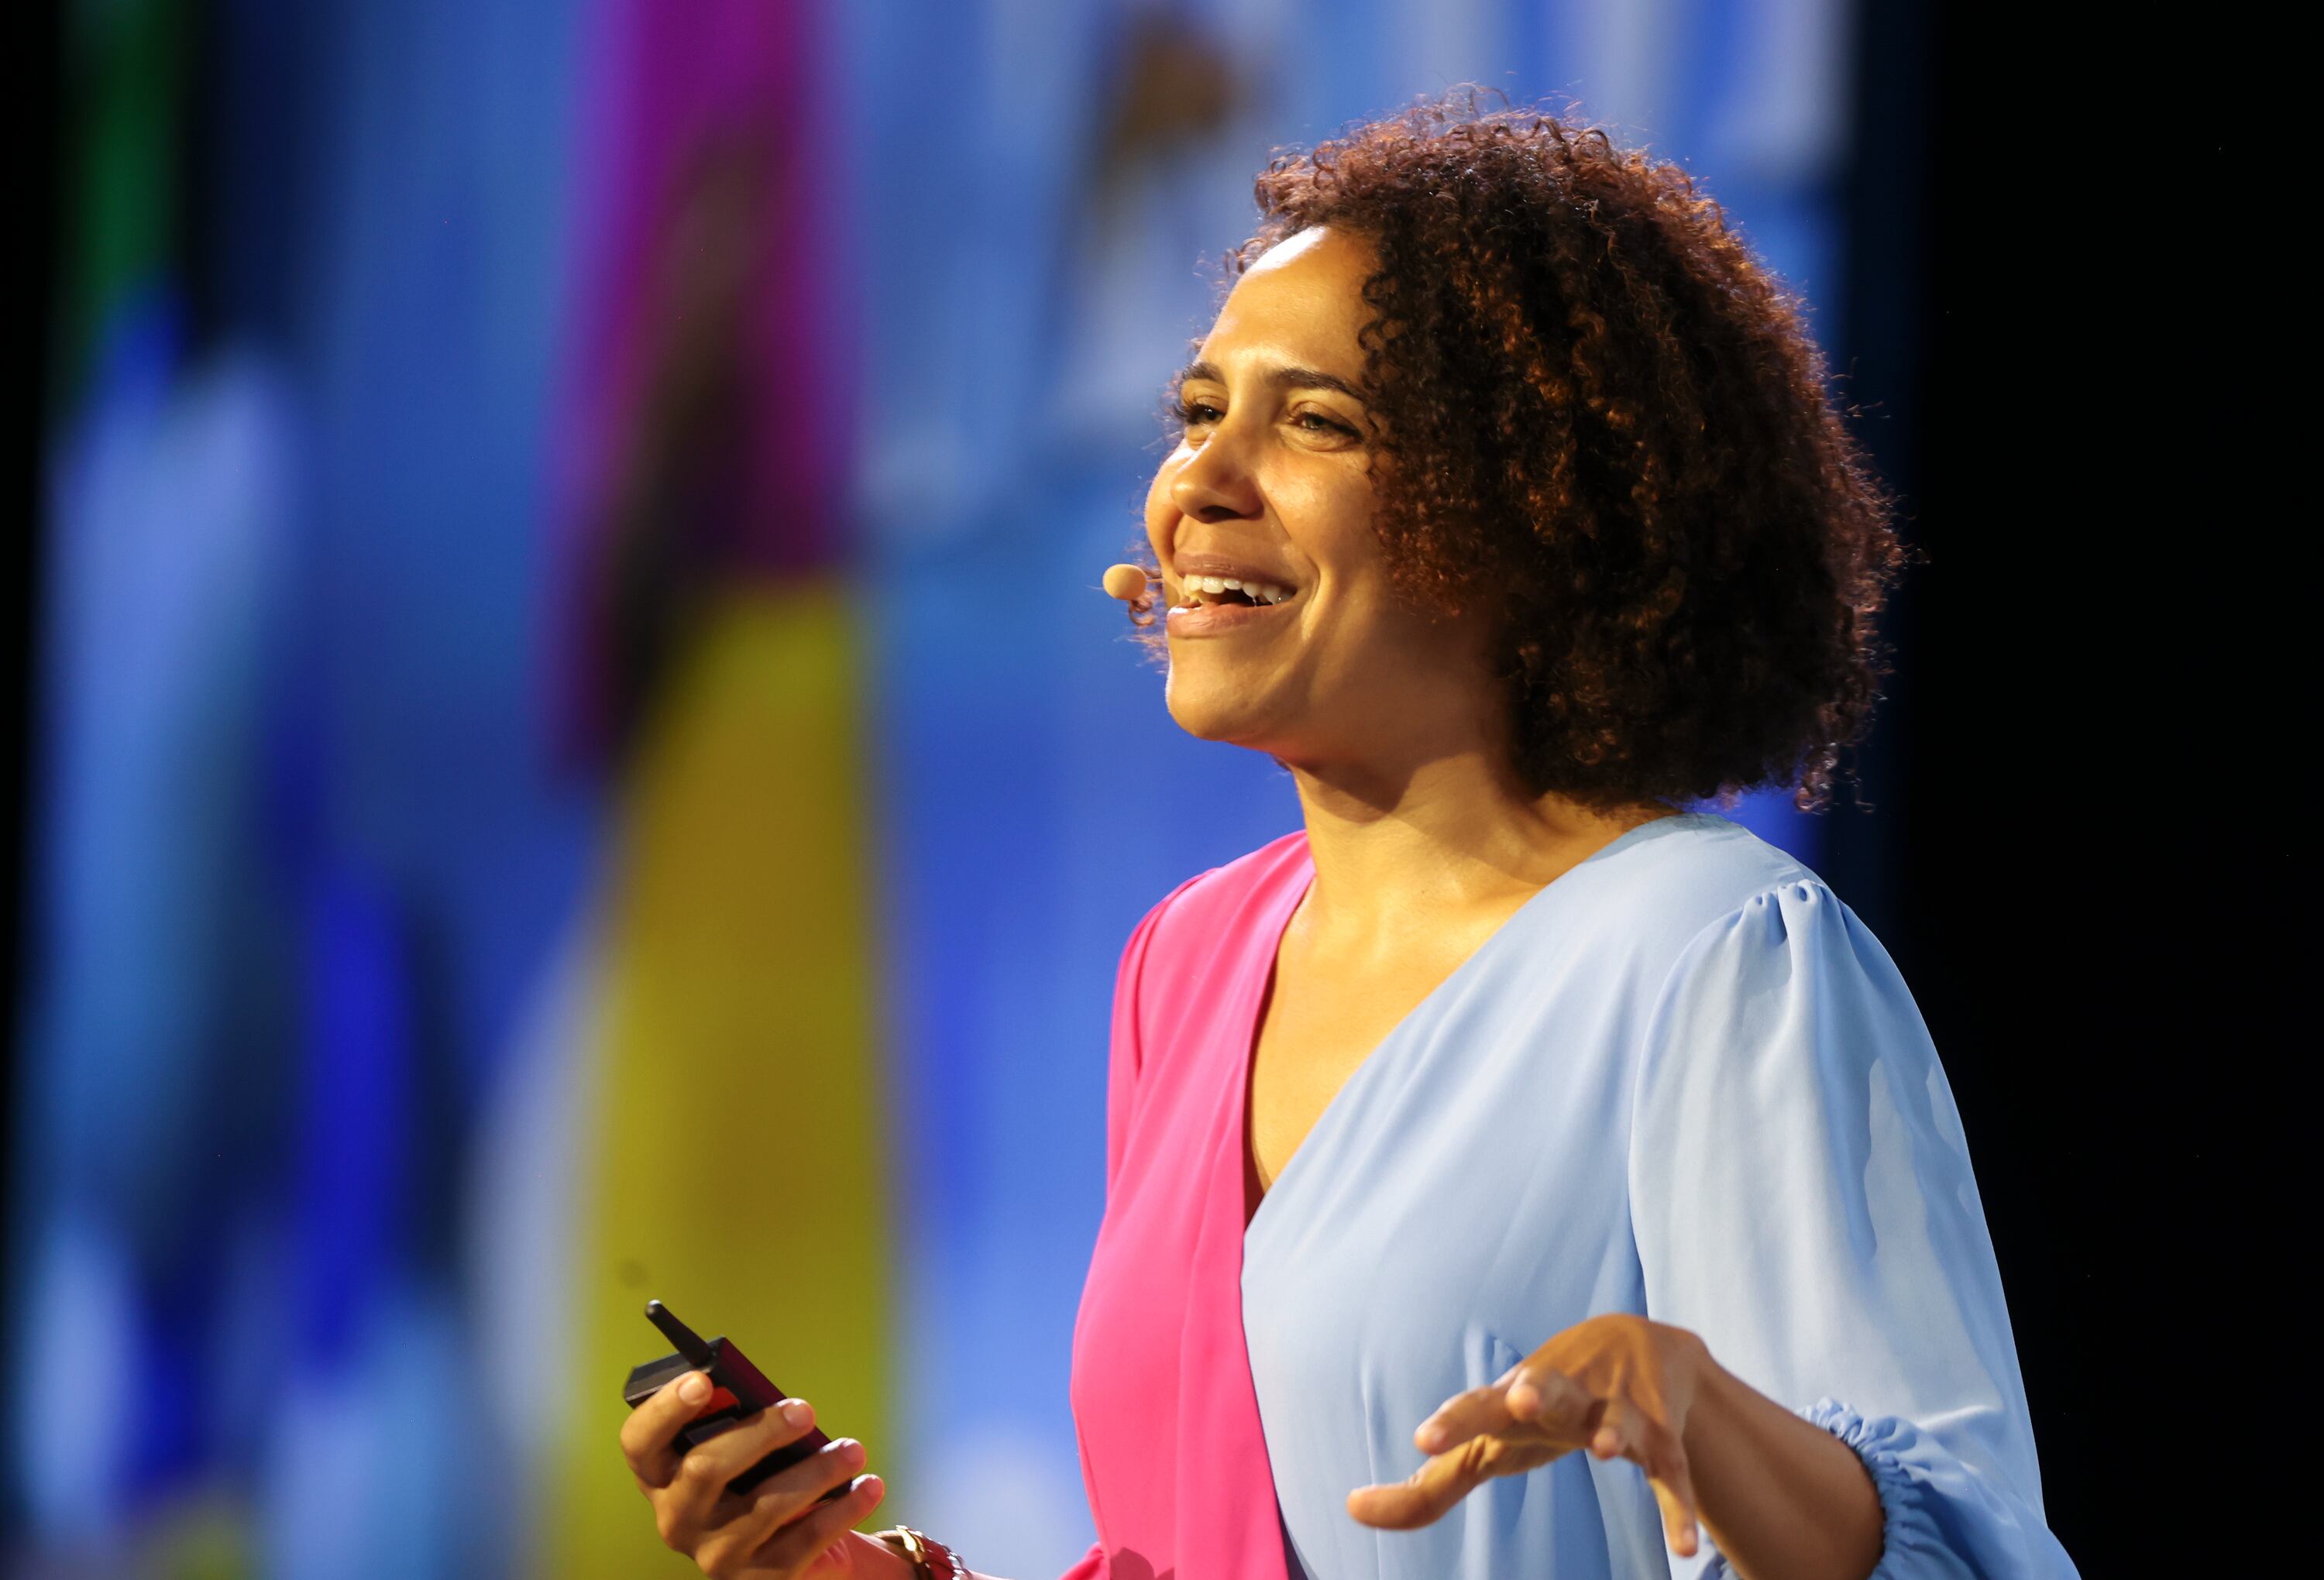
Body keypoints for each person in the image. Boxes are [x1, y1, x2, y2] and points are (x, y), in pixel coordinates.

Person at [620, 93, 2078, 1580]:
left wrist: (1699, 1410)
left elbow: (1955, 1558)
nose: (1200, 485)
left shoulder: (1713, 958)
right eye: (1198, 414)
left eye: (1316, 420)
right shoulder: (1186, 966)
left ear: (1536, 507)